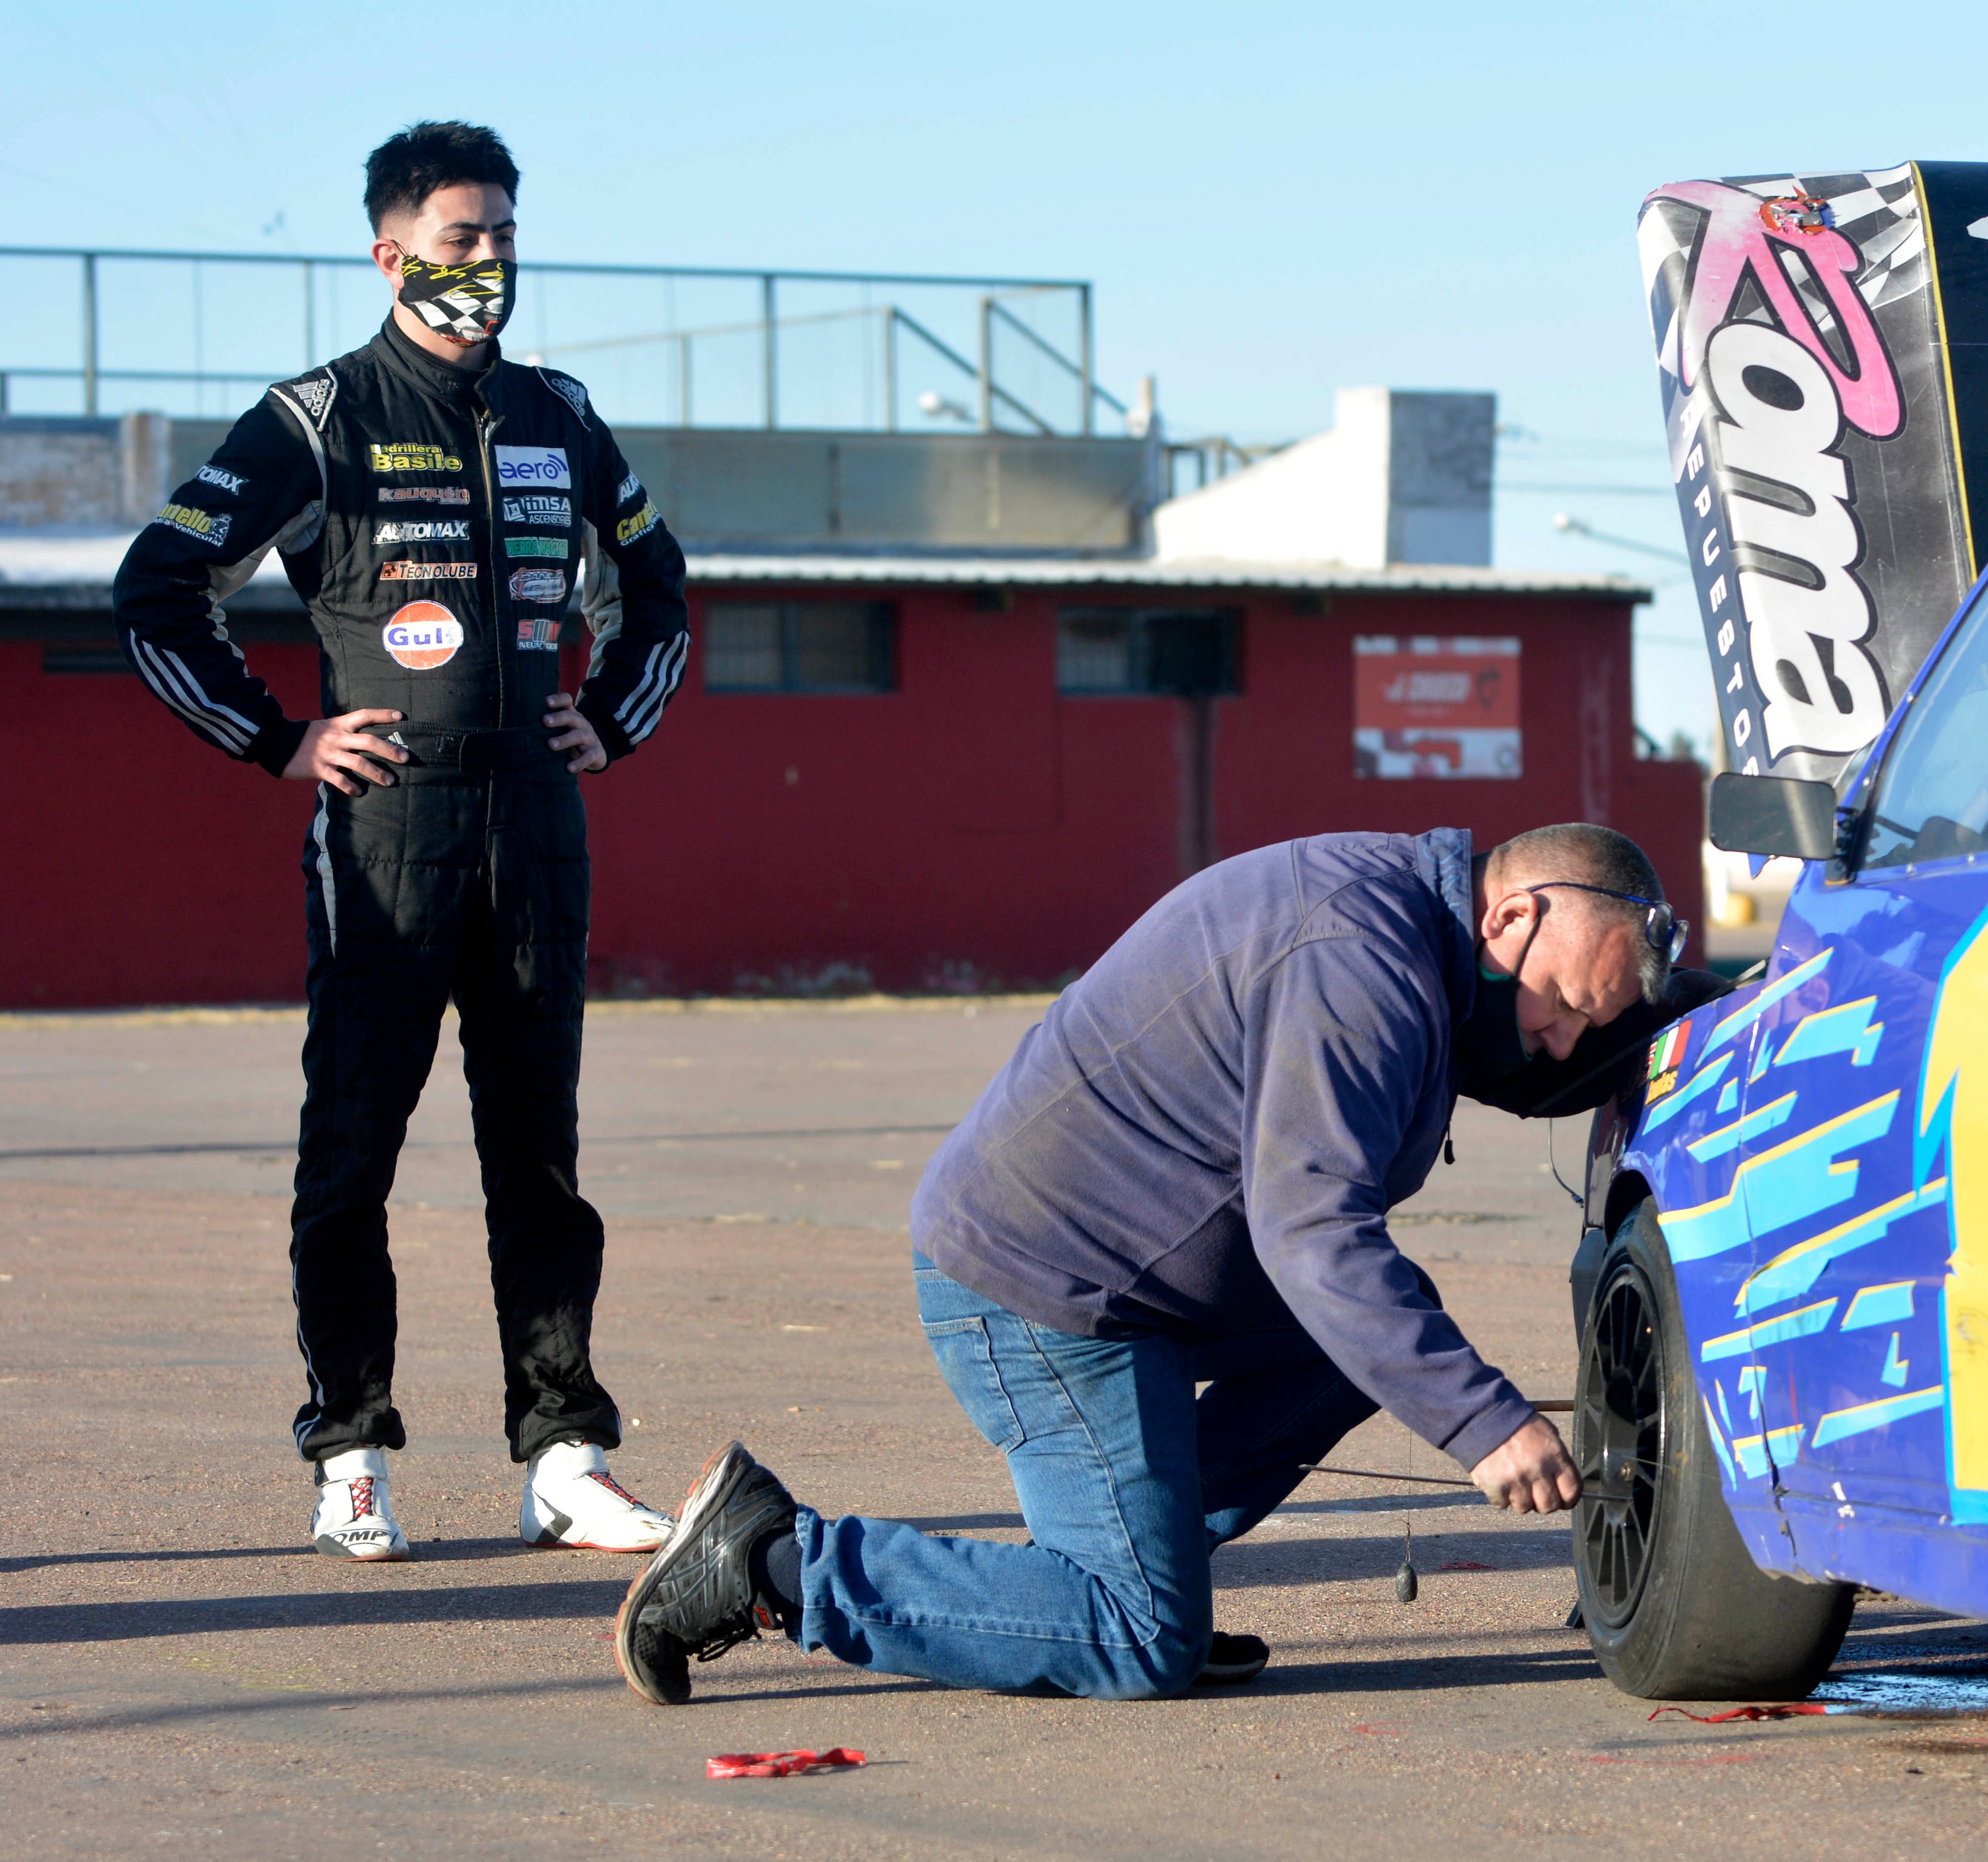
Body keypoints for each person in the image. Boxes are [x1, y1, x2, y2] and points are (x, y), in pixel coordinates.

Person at [613, 822, 1715, 1704]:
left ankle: (1123, 1572)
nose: (1559, 1044)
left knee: (1370, 1342)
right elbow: (1314, 1230)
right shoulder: (1355, 959)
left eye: (1587, 1025)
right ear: (1511, 913)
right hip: (1043, 1293)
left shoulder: (1424, 932)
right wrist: (1483, 1423)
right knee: (1143, 1638)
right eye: (1565, 1007)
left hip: (1129, 1274)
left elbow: (1528, 1068)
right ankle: (767, 1561)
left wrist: (1761, 995)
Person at [110, 122, 690, 1562]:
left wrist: (609, 721)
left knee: (539, 1159)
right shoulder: (316, 417)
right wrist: (281, 738)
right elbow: (157, 584)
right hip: (388, 826)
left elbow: (660, 591)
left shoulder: (564, 413)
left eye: (502, 233)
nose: (487, 259)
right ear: (391, 254)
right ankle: (352, 1451)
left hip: (536, 828)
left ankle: (563, 1450)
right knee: (351, 1154)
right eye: (459, 237)